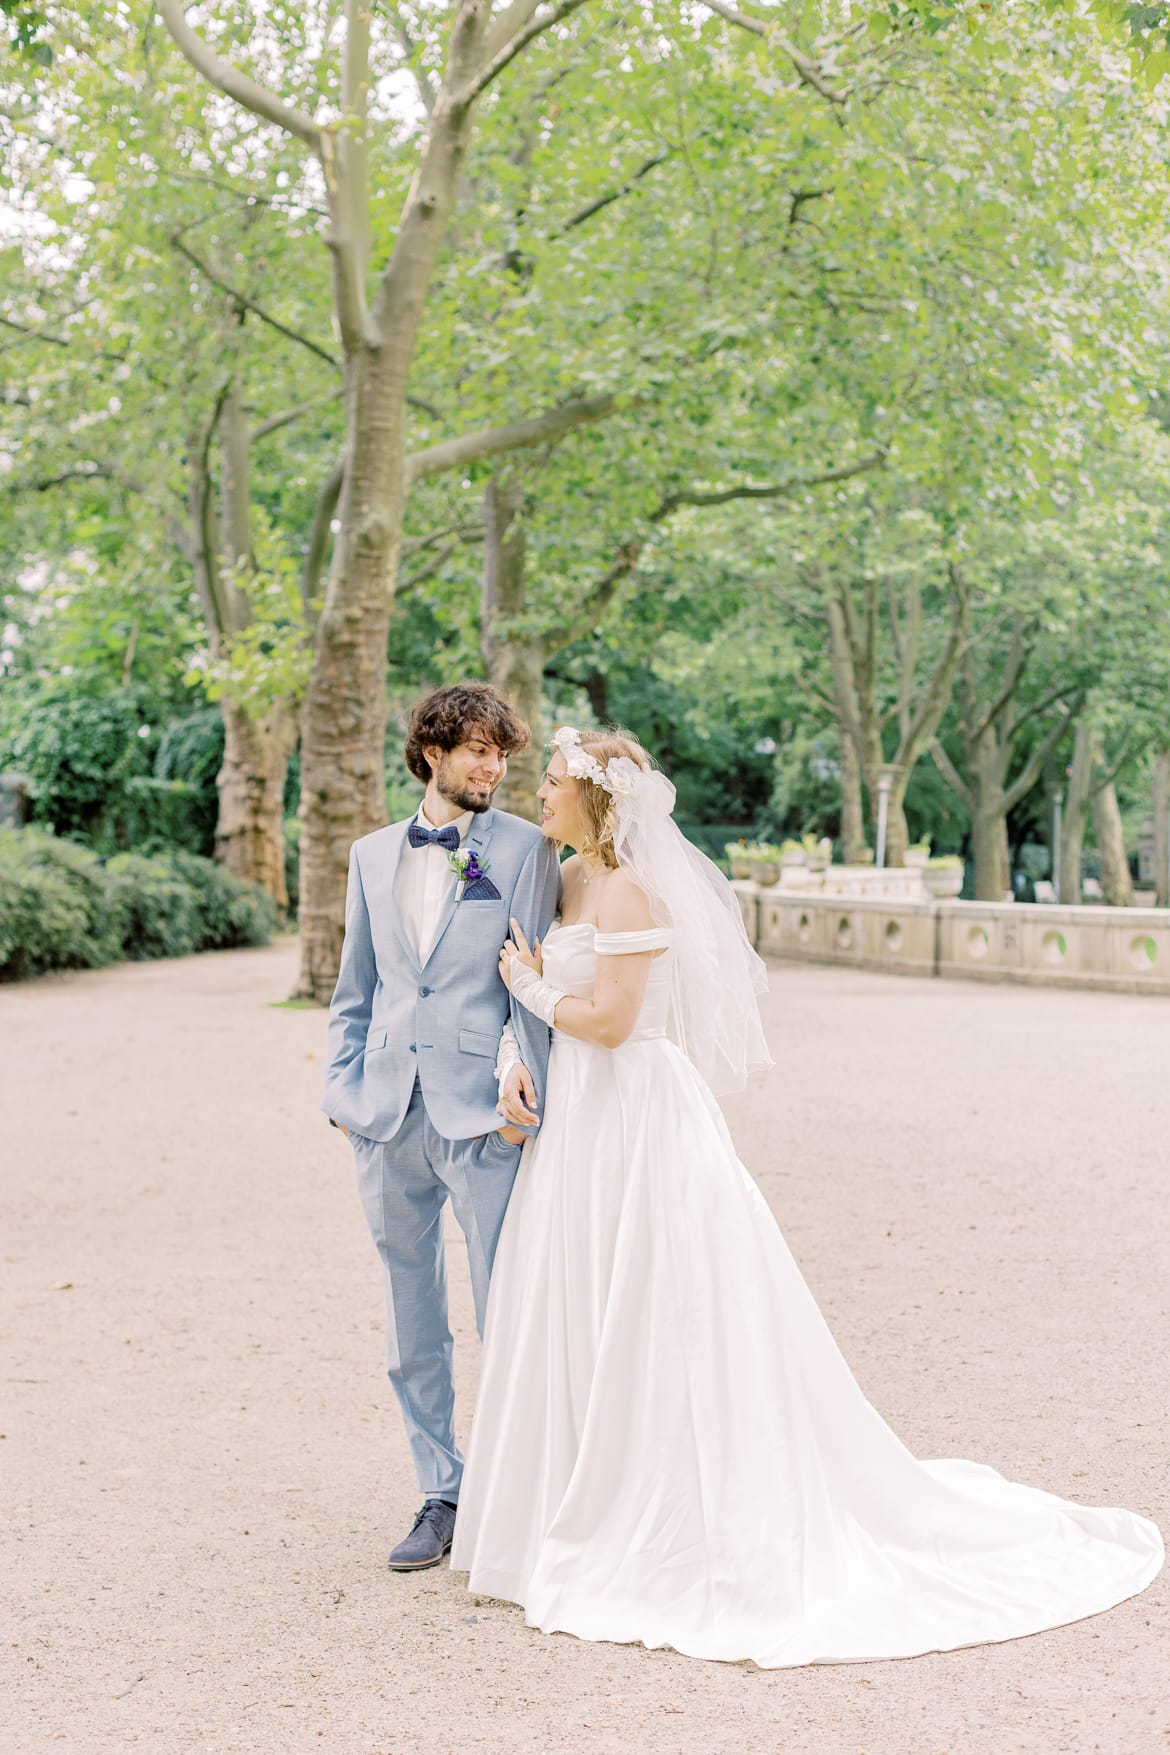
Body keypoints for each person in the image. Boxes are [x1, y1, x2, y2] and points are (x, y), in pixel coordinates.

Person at [449, 725, 1163, 1666]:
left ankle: (668, 1499)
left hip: (636, 1118)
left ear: (598, 797)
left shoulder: (627, 887)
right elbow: (540, 1001)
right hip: (576, 1125)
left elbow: (614, 1024)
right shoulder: (567, 877)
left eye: (552, 781)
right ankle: (574, 1489)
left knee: (662, 1306)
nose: (538, 794)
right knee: (579, 1299)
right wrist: (517, 1033)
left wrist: (531, 988)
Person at [323, 682, 560, 1572]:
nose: (493, 767)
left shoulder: (528, 850)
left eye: (501, 754)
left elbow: (530, 984)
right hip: (386, 1116)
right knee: (409, 1314)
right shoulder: (371, 854)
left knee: (508, 1304)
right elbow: (357, 992)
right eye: (476, 751)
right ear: (432, 754)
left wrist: (522, 1080)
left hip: (484, 1118)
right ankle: (442, 1489)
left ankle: (516, 1484)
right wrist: (343, 1094)